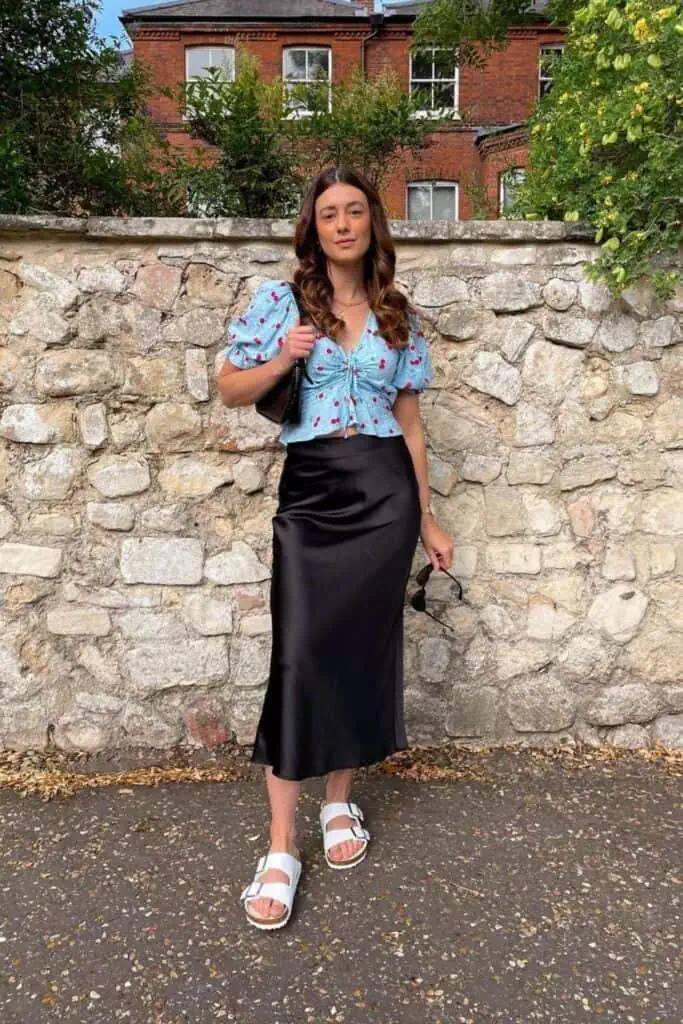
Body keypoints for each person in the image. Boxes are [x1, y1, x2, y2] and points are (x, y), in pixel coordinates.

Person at [216, 166, 454, 930]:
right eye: (329, 213)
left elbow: (411, 426)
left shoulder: (396, 313)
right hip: (313, 487)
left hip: (383, 490)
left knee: (357, 649)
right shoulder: (278, 301)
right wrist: (284, 356)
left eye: (355, 211)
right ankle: (281, 845)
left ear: (371, 223)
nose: (343, 224)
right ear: (312, 226)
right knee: (300, 655)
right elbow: (227, 387)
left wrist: (427, 519)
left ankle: (339, 803)